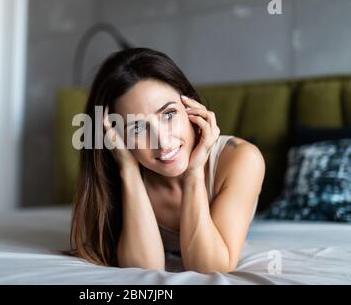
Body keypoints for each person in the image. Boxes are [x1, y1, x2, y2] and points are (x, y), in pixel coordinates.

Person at [70, 48, 265, 274]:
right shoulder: (122, 166)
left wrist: (194, 173)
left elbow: (210, 268)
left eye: (169, 114)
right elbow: (143, 271)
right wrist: (129, 171)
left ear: (190, 105)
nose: (162, 142)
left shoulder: (241, 158)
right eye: (138, 127)